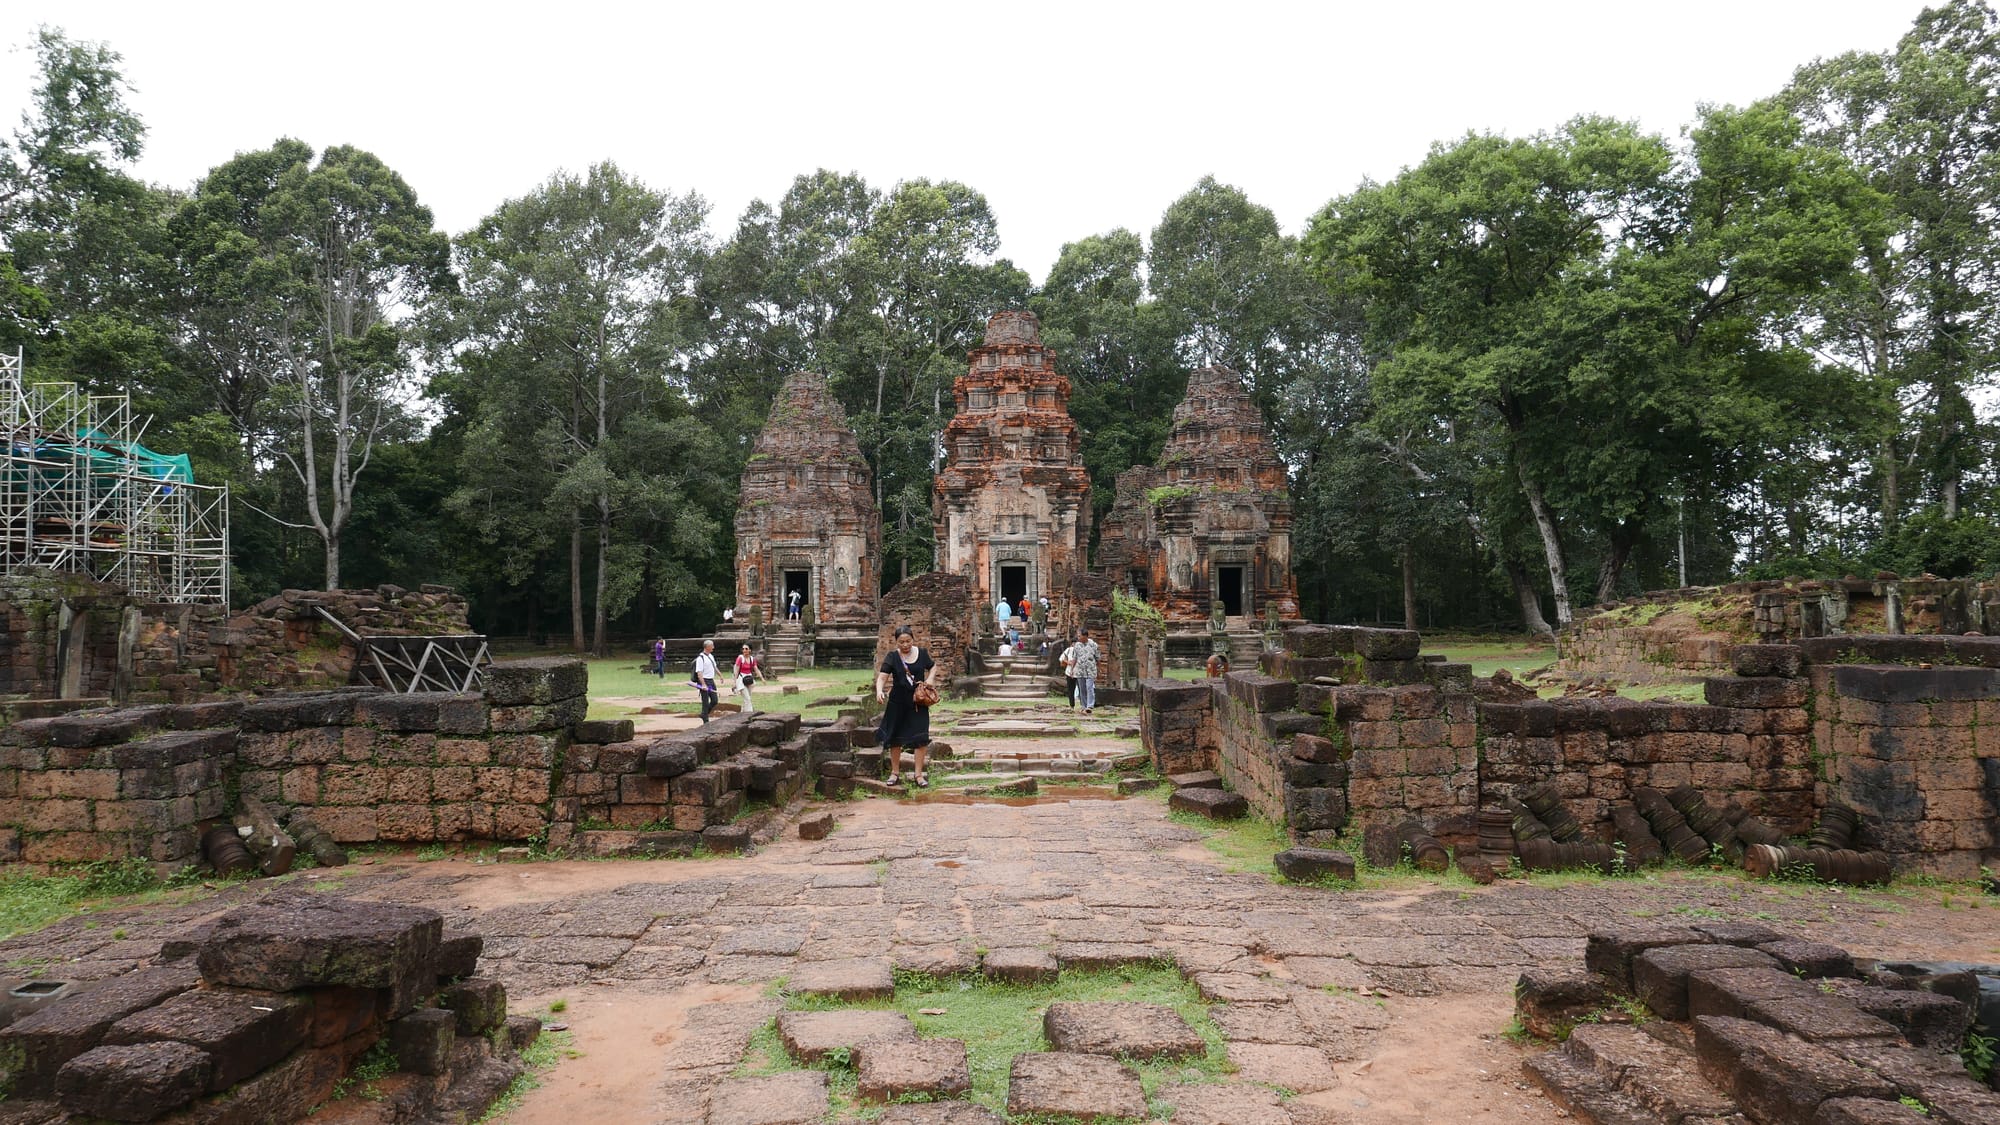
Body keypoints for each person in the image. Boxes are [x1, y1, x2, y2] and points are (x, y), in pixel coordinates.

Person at [874, 625, 938, 788]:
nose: (905, 645)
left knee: (921, 738)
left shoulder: (922, 654)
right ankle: (895, 773)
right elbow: (882, 677)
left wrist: (930, 679)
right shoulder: (892, 657)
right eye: (901, 642)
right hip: (898, 702)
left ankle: (918, 775)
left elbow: (933, 666)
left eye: (908, 641)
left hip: (918, 702)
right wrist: (879, 691)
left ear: (913, 639)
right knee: (895, 738)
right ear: (896, 642)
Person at [1071, 627, 1102, 714]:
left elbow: (1098, 658)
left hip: (1091, 670)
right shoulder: (1077, 645)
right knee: (1082, 689)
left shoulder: (1093, 645)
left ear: (1085, 636)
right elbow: (1074, 658)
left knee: (1089, 687)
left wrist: (1099, 669)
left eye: (1079, 636)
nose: (1078, 638)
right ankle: (1083, 705)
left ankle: (1090, 706)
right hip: (1080, 670)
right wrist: (1072, 669)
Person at [692, 639, 720, 723]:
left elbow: (714, 667)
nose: (713, 648)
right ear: (707, 647)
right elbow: (699, 672)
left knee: (714, 700)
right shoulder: (700, 658)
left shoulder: (711, 656)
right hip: (704, 681)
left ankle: (704, 713)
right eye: (712, 646)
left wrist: (720, 675)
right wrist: (703, 684)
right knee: (705, 701)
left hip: (711, 680)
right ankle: (705, 720)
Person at [733, 644, 761, 714]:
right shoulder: (740, 658)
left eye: (746, 649)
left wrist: (762, 678)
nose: (744, 650)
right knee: (747, 698)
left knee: (747, 698)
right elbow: (736, 670)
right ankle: (750, 713)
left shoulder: (752, 659)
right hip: (741, 679)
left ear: (750, 650)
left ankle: (742, 712)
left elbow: (756, 669)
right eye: (743, 649)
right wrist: (734, 682)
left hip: (749, 679)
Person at [1059, 633, 1079, 708]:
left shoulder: (1081, 650)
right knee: (1071, 689)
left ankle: (1082, 704)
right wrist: (1068, 662)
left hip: (1079, 672)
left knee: (1078, 688)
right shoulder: (1068, 650)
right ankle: (1072, 705)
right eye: (1074, 643)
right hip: (1069, 671)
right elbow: (1061, 658)